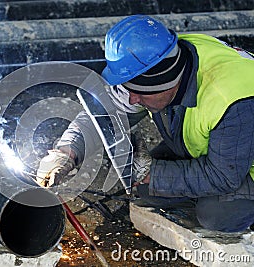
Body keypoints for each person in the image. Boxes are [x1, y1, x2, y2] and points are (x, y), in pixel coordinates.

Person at [36, 15, 254, 232]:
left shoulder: (232, 100)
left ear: (166, 84)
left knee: (218, 215)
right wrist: (67, 151)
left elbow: (223, 176)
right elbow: (106, 114)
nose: (132, 100)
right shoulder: (159, 60)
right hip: (223, 147)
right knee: (147, 187)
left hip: (238, 162)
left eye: (139, 94)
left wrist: (153, 173)